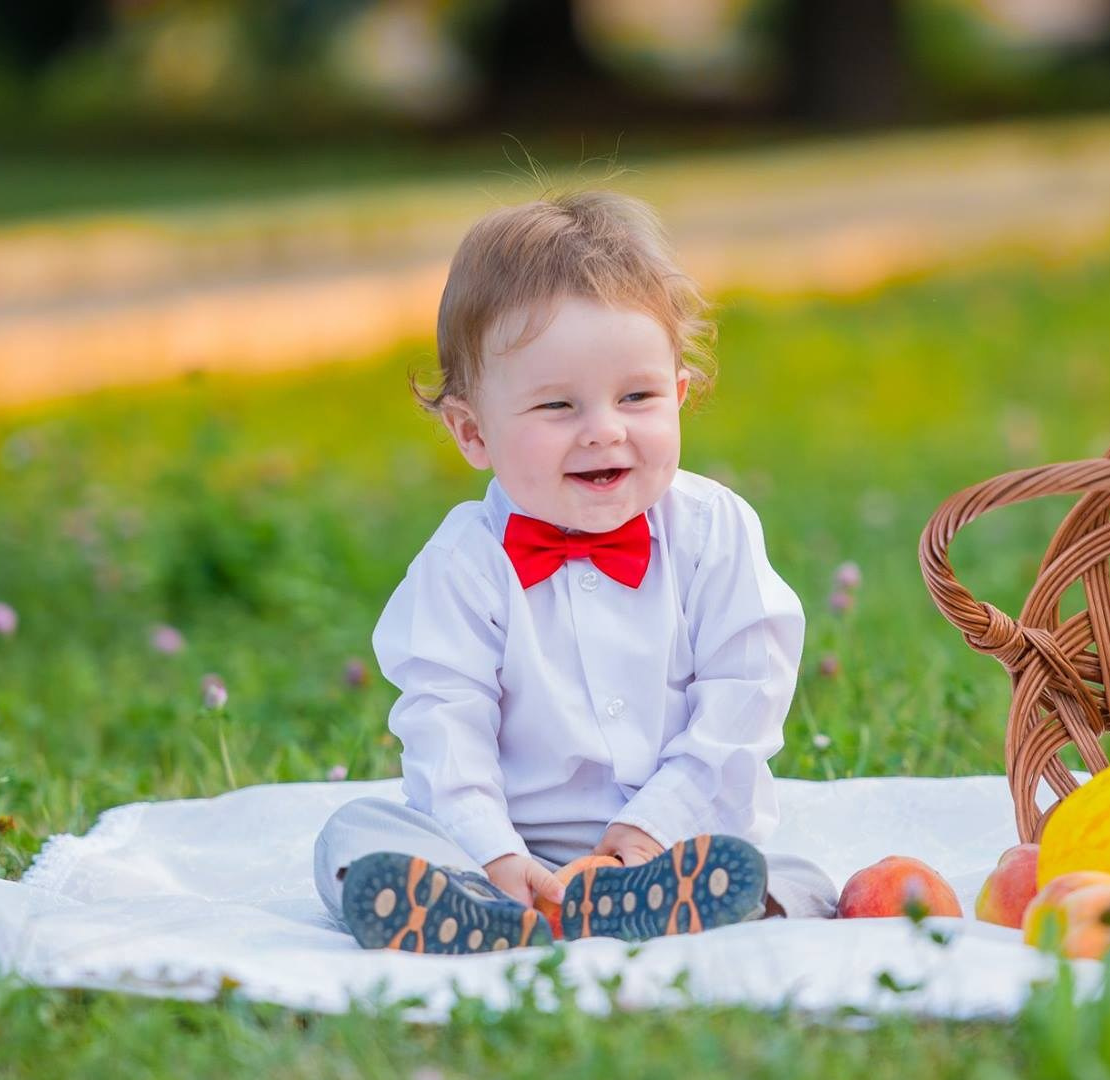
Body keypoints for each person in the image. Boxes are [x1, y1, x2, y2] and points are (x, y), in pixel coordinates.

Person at [315, 187, 838, 953]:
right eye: (558, 407)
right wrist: (494, 852)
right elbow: (443, 721)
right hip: (515, 849)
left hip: (678, 841)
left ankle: (664, 899)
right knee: (351, 836)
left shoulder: (714, 532)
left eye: (637, 397)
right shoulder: (464, 566)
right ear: (472, 432)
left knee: (798, 877)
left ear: (681, 397)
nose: (604, 431)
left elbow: (744, 699)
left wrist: (648, 829)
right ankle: (485, 909)